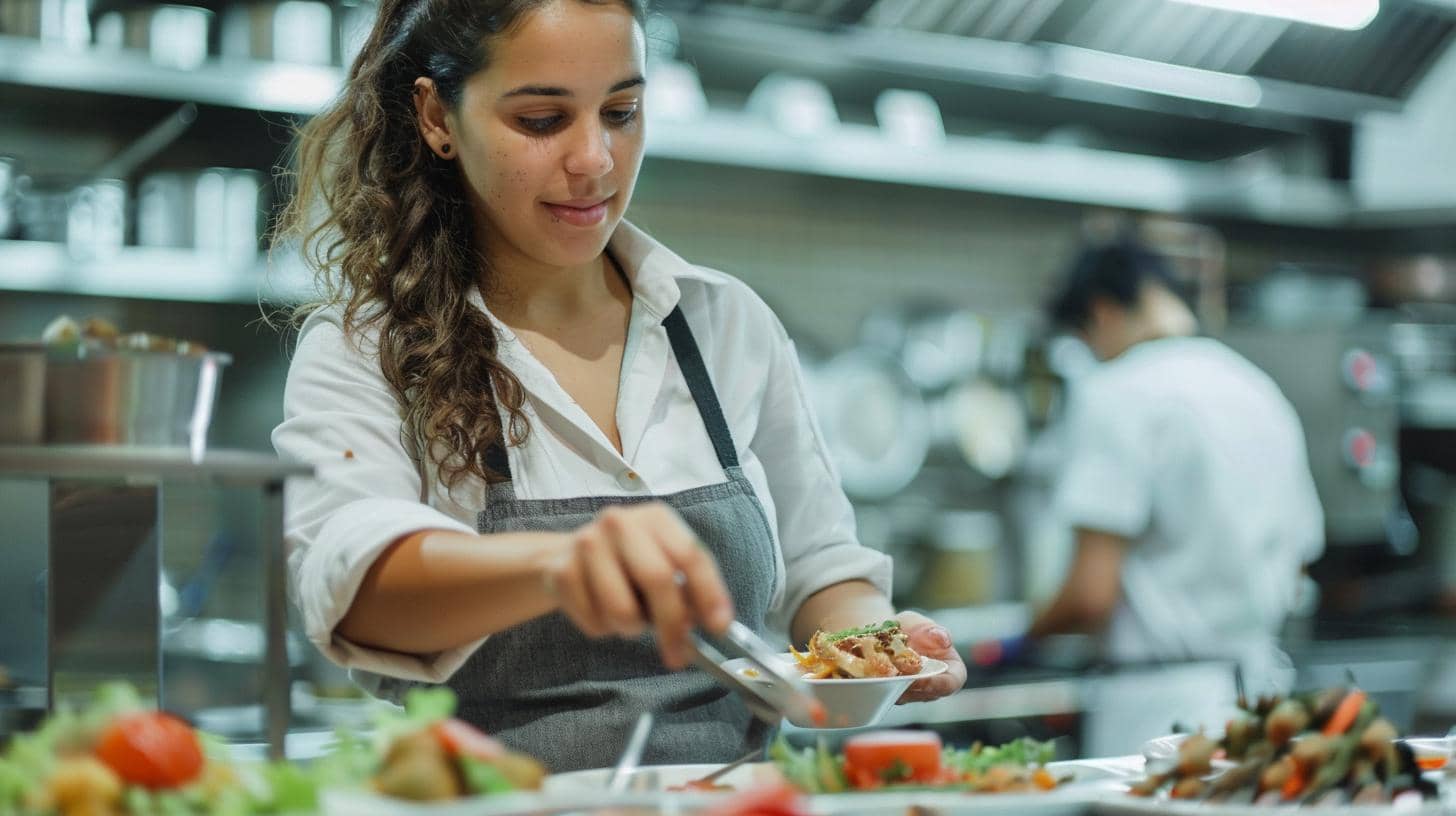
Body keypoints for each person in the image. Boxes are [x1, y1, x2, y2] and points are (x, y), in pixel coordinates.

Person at [271, 0, 965, 772]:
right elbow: (356, 583)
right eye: (542, 120)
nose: (596, 158)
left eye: (623, 111)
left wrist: (876, 642)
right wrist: (557, 566)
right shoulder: (366, 349)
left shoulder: (723, 323)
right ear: (437, 116)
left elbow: (820, 569)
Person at [974, 240, 1324, 693]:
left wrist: (1020, 643)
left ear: (1101, 313)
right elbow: (1299, 567)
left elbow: (1090, 594)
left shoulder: (1118, 392)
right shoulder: (1257, 388)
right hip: (1262, 690)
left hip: (1159, 700)